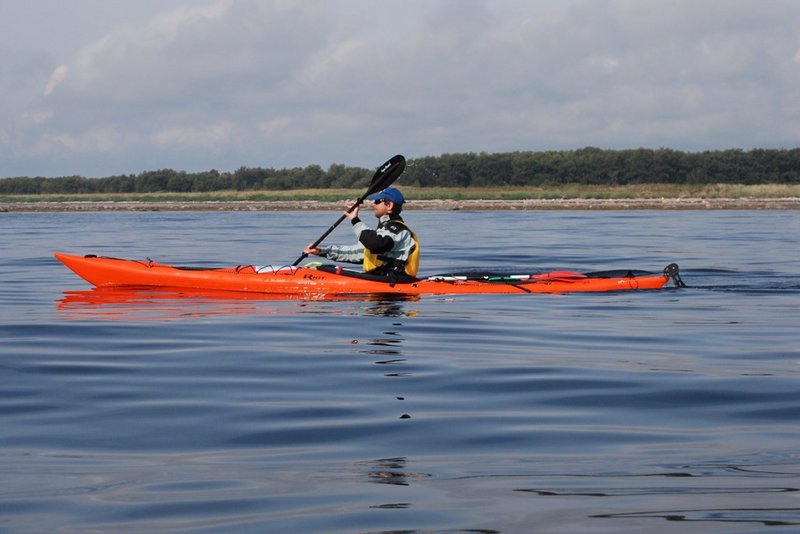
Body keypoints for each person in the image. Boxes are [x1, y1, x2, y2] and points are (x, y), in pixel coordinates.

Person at [303, 187, 420, 280]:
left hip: (393, 286)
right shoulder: (385, 230)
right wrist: (323, 252)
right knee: (323, 268)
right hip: (381, 279)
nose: (374, 204)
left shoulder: (397, 230)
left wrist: (355, 220)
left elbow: (375, 244)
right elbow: (358, 253)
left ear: (389, 205)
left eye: (377, 201)